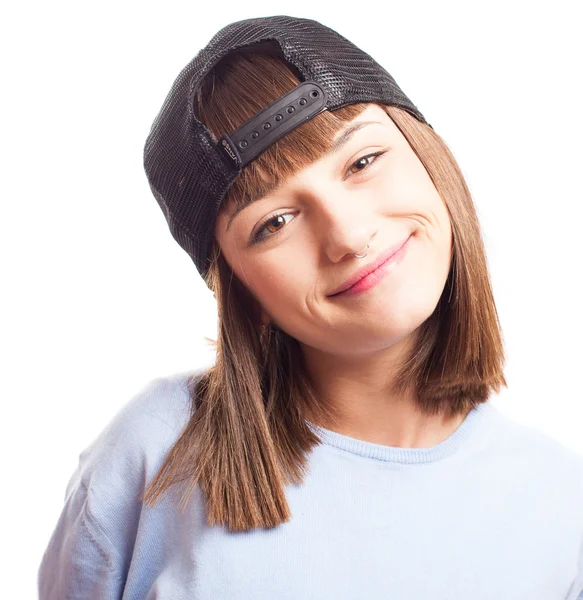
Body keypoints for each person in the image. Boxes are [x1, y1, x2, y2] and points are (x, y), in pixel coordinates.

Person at [38, 15, 583, 600]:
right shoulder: (155, 453)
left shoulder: (560, 503)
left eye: (362, 162)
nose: (346, 234)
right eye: (273, 223)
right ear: (239, 291)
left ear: (430, 158)